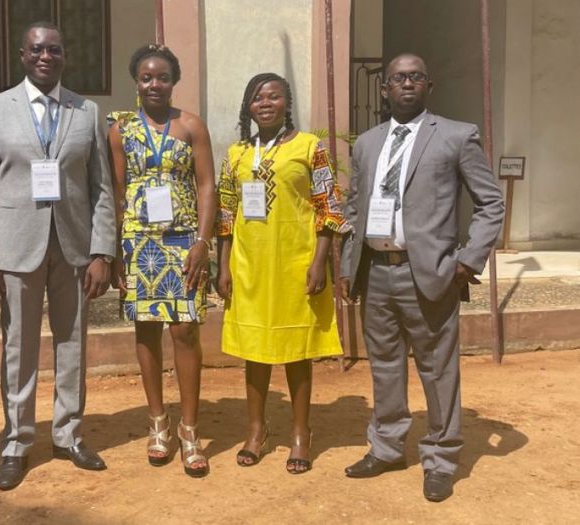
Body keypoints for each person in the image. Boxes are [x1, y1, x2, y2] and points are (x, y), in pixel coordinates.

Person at [339, 53, 504, 502]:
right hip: (376, 273)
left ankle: (441, 457)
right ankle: (388, 447)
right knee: (385, 368)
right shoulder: (367, 144)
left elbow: (492, 204)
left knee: (437, 371)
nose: (406, 84)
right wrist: (346, 265)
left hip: (429, 274)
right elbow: (354, 208)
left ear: (428, 85)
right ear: (384, 89)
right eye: (398, 78)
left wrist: (467, 261)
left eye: (415, 77)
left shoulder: (455, 135)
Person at [0, 21, 116, 491]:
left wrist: (101, 251)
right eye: (37, 49)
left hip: (73, 247)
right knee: (19, 348)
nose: (45, 56)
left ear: (64, 55)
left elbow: (102, 189)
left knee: (73, 345)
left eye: (54, 49)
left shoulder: (87, 111)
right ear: (23, 55)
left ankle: (68, 434)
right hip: (15, 248)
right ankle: (17, 441)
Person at [216, 73, 350, 474]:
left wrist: (319, 262)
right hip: (249, 266)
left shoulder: (311, 148)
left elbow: (328, 207)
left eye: (274, 96)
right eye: (258, 97)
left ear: (287, 102)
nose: (266, 102)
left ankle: (299, 434)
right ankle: (256, 431)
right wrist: (222, 265)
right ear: (248, 107)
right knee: (254, 351)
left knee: (296, 353)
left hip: (295, 263)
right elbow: (225, 214)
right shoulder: (236, 153)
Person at [107, 44, 216, 477]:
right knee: (146, 329)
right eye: (147, 77)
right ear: (137, 80)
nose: (155, 84)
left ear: (175, 80)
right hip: (139, 242)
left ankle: (190, 429)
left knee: (186, 331)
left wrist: (203, 243)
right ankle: (158, 422)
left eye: (163, 77)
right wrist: (116, 250)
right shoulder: (120, 129)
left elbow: (206, 186)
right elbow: (116, 192)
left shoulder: (191, 125)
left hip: (183, 239)